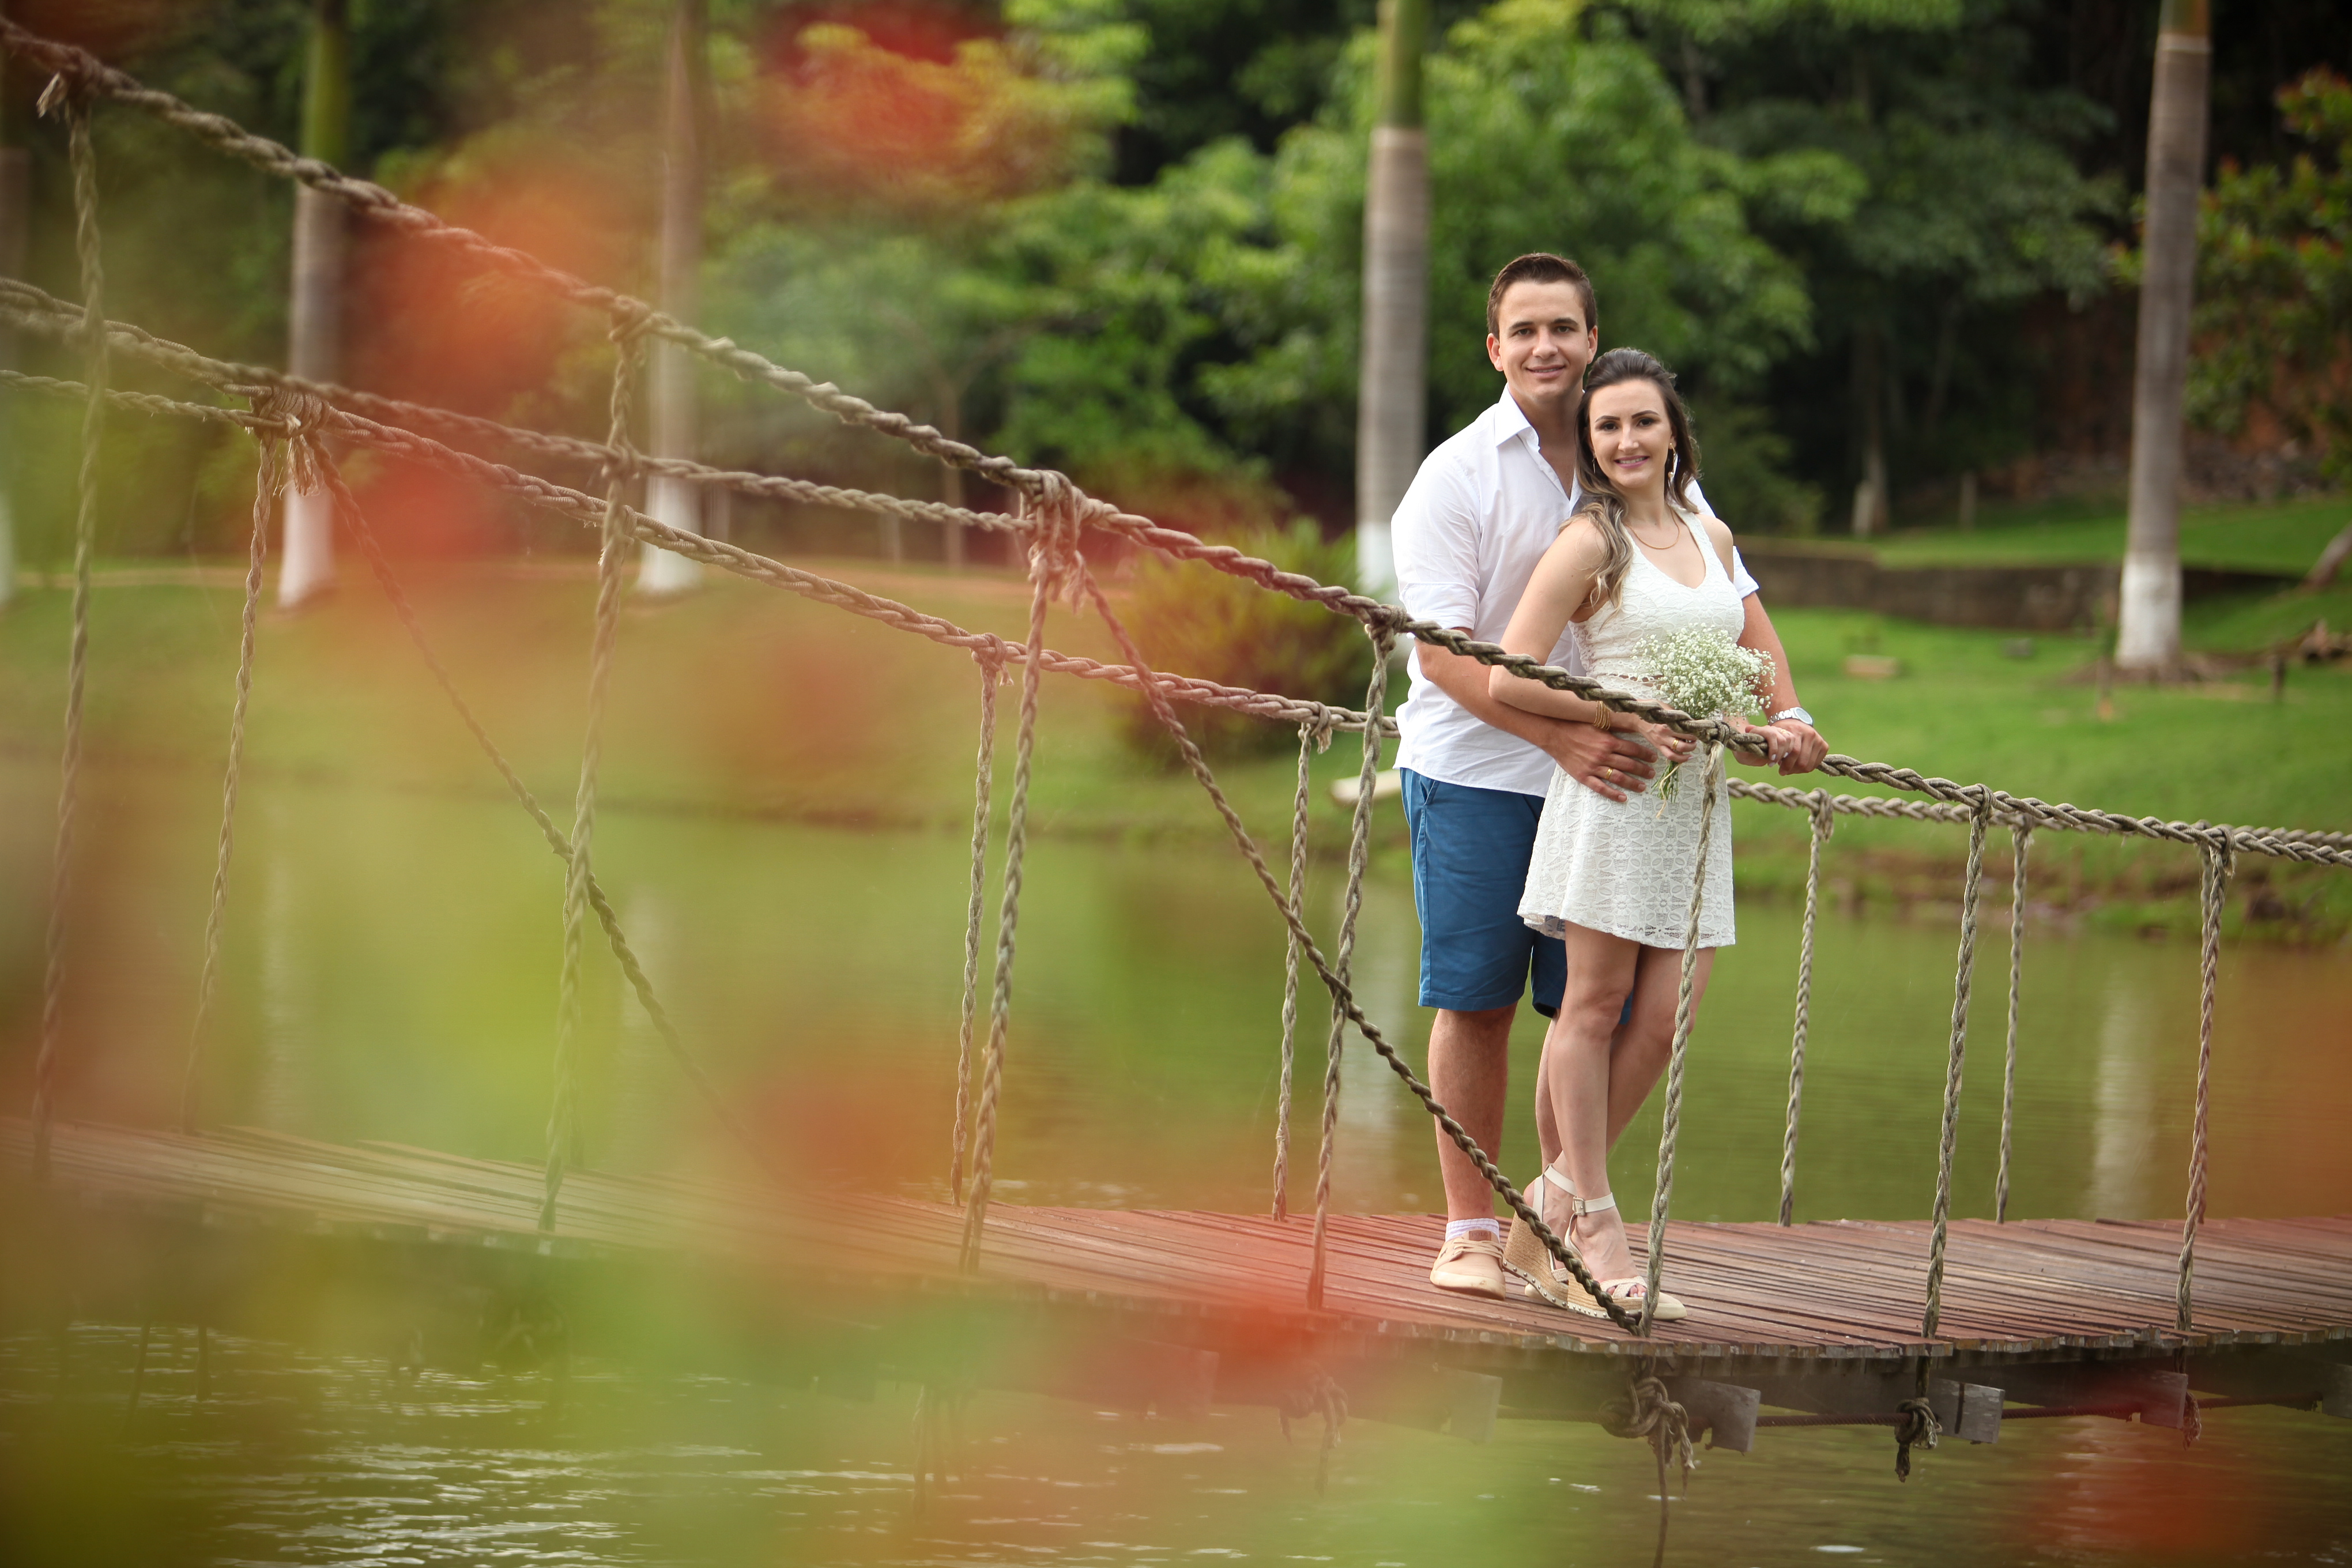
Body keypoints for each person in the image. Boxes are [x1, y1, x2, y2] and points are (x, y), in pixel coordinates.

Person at [1394, 253, 1825, 1304]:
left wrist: (1781, 714)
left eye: (1565, 329)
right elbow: (1446, 657)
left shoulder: (1641, 462)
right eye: (1524, 330)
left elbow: (1730, 608)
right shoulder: (1456, 475)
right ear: (1496, 348)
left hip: (1635, 777)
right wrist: (1568, 739)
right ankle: (1468, 1230)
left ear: (1593, 340)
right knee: (1482, 1001)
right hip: (1484, 768)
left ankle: (1556, 1209)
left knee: (1616, 1015)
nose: (1547, 346)